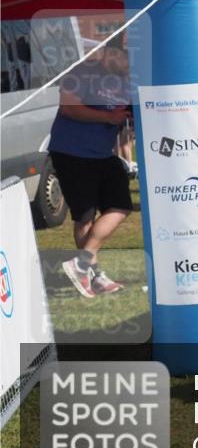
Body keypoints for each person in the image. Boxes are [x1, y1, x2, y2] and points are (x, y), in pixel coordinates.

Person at [49, 35, 132, 297]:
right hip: (72, 151)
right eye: (121, 56)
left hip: (102, 155)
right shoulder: (84, 71)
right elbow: (68, 107)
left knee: (120, 205)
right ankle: (94, 277)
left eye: (129, 58)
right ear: (108, 52)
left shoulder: (130, 82)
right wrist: (108, 117)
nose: (125, 63)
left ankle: (81, 262)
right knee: (85, 216)